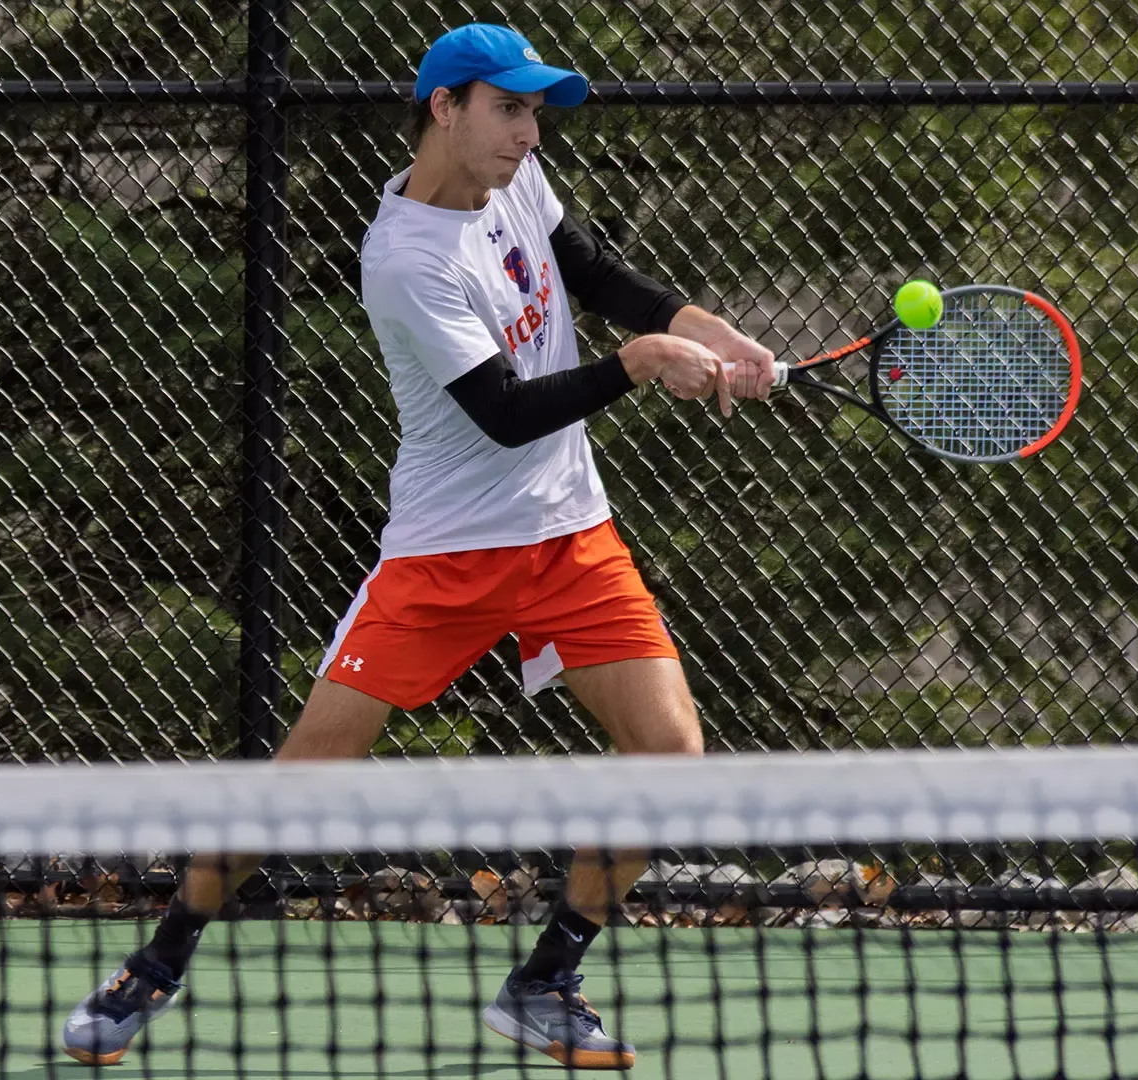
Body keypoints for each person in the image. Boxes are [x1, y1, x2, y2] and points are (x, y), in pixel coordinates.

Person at [64, 22, 775, 1070]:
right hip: (445, 555)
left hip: (570, 536)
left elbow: (601, 273)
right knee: (304, 779)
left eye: (534, 113)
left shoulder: (518, 181)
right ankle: (158, 964)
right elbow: (502, 411)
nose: (528, 134)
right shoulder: (403, 259)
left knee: (671, 754)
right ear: (444, 107)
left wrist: (711, 333)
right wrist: (637, 368)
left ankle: (547, 981)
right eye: (508, 109)